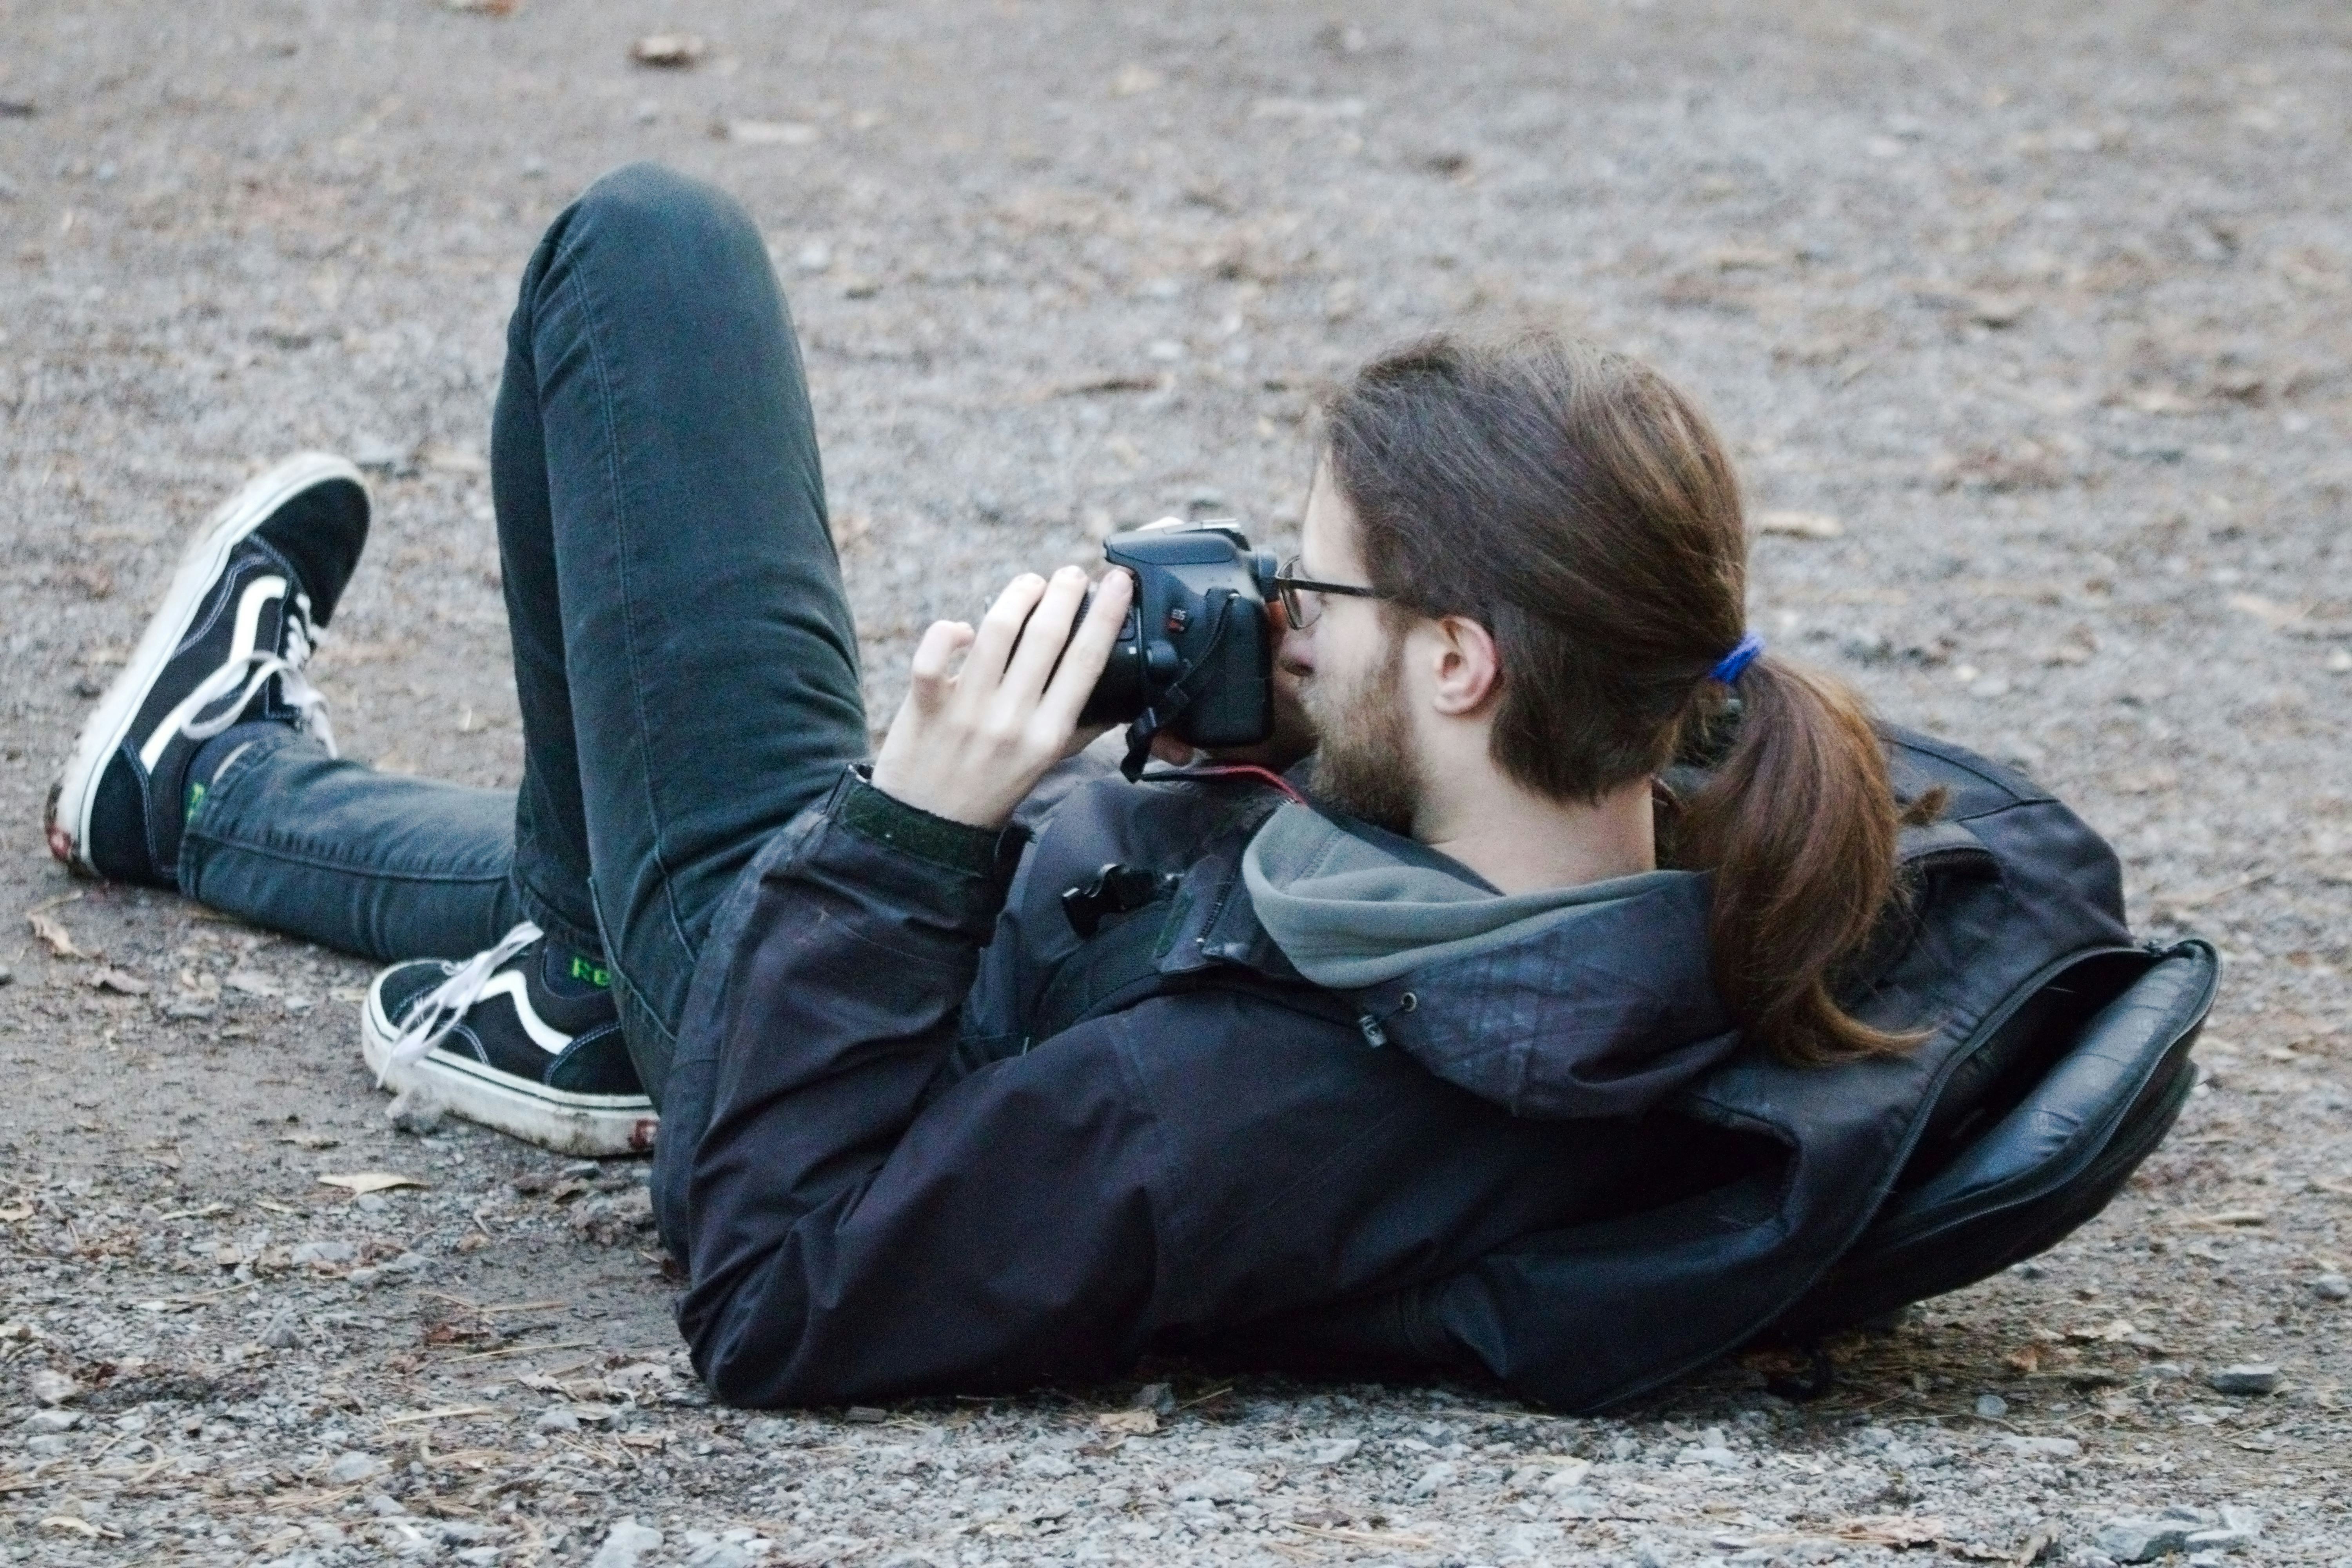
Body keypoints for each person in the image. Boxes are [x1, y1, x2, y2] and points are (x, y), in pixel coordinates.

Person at [49, 162, 1913, 1405]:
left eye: (1319, 594)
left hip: (814, 1019)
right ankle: (212, 788)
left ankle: (587, 961)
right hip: (1030, 925)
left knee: (648, 255)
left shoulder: (1226, 1113)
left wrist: (907, 835)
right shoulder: (1682, 835)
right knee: (604, 847)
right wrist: (1284, 747)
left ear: (1458, 664)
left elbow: (773, 1288)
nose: (1280, 617)